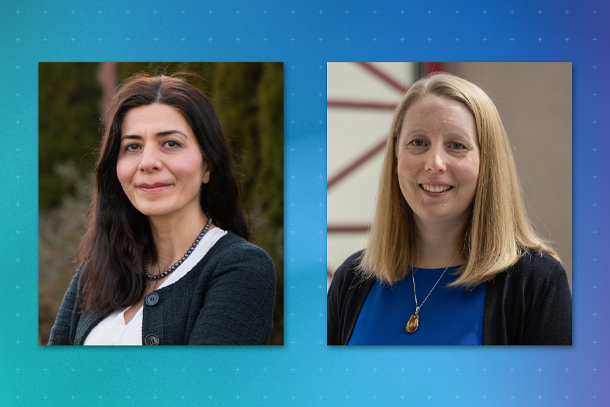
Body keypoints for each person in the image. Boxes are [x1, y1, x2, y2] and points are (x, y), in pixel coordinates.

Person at [327, 72, 572, 345]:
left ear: (487, 164)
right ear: (396, 155)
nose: (435, 163)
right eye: (418, 142)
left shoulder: (537, 283)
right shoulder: (351, 280)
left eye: (456, 146)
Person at [49, 74, 276, 345]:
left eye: (171, 143)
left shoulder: (240, 269)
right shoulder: (95, 271)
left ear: (208, 165)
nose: (147, 162)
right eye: (132, 146)